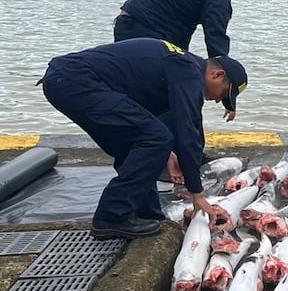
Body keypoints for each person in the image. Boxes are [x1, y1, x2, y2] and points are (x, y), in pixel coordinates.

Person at [40, 38, 248, 240]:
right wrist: (197, 193)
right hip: (75, 81)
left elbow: (155, 125)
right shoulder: (189, 73)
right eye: (223, 94)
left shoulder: (182, 67)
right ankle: (112, 216)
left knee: (137, 143)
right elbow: (189, 130)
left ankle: (146, 213)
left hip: (65, 80)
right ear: (217, 75)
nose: (217, 100)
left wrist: (167, 153)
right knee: (157, 139)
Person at [114, 0, 262, 121]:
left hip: (132, 23)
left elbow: (182, 43)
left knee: (164, 83)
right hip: (142, 28)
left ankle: (152, 131)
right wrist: (225, 91)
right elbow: (216, 40)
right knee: (161, 88)